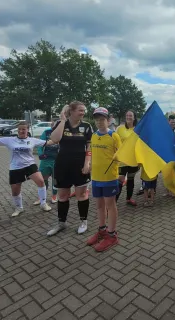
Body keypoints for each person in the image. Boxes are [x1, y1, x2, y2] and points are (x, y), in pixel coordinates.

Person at [47, 102, 93, 237]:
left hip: (80, 165)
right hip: (62, 165)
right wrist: (62, 120)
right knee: (62, 196)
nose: (83, 113)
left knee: (82, 195)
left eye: (84, 110)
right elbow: (54, 139)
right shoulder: (61, 124)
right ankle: (62, 223)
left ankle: (83, 221)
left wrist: (87, 164)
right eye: (80, 110)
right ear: (71, 111)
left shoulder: (86, 126)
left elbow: (89, 147)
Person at [86, 107, 121, 252]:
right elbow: (91, 153)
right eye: (97, 120)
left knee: (110, 205)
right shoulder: (94, 136)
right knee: (99, 206)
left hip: (109, 178)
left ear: (108, 120)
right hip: (96, 177)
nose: (99, 122)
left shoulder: (114, 136)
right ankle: (102, 230)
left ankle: (112, 235)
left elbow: (121, 155)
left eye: (102, 119)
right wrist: (87, 164)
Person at [116, 110, 139, 205]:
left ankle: (128, 199)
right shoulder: (120, 128)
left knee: (131, 179)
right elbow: (114, 141)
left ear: (134, 118)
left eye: (131, 115)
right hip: (122, 159)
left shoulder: (138, 129)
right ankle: (113, 202)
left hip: (134, 159)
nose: (128, 117)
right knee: (120, 179)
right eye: (127, 115)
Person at [35, 119, 59, 204]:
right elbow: (40, 144)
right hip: (46, 159)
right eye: (53, 125)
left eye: (57, 125)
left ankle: (54, 196)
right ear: (51, 125)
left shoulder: (63, 133)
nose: (55, 127)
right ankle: (41, 197)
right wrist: (41, 153)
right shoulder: (46, 132)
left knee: (55, 180)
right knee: (42, 179)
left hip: (58, 161)